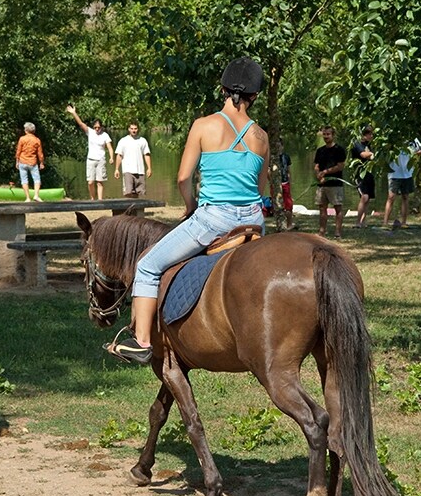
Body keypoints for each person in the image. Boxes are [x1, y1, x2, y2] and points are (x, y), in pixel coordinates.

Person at [107, 56, 269, 364]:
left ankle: (141, 342)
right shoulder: (261, 137)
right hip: (252, 221)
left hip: (214, 219)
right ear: (255, 96)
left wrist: (192, 207)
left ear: (223, 89)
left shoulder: (203, 126)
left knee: (148, 265)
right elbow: (260, 190)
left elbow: (183, 178)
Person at [65, 104, 115, 200]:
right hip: (91, 159)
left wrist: (112, 157)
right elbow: (80, 123)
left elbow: (110, 148)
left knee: (100, 181)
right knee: (90, 182)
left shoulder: (105, 135)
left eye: (99, 127)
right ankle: (92, 198)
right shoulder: (90, 132)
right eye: (95, 127)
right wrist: (73, 113)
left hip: (101, 160)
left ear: (102, 127)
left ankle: (100, 200)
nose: (97, 129)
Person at [314, 126, 346, 238]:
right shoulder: (320, 150)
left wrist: (325, 172)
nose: (326, 136)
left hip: (335, 184)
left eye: (328, 134)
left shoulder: (339, 150)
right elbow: (316, 165)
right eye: (324, 134)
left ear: (333, 135)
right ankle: (322, 231)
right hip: (322, 185)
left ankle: (338, 232)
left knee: (338, 208)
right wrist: (319, 174)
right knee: (322, 208)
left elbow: (340, 166)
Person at [383, 140, 419, 228]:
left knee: (405, 197)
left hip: (407, 173)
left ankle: (404, 222)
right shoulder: (393, 137)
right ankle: (385, 222)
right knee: (391, 197)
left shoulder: (413, 140)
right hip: (394, 173)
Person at [113, 121, 152, 198]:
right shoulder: (123, 141)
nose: (134, 130)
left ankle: (139, 210)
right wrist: (116, 169)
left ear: (138, 129)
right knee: (128, 193)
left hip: (140, 171)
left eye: (135, 128)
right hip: (128, 171)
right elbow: (119, 155)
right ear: (129, 129)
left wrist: (149, 168)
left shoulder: (142, 140)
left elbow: (146, 154)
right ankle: (129, 210)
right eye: (132, 128)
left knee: (141, 194)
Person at [351, 126, 375, 228]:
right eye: (369, 134)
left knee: (368, 198)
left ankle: (363, 221)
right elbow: (363, 154)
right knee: (364, 197)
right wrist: (372, 154)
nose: (371, 136)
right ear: (364, 135)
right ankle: (357, 222)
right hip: (360, 175)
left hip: (369, 174)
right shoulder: (357, 144)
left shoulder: (370, 145)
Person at [15, 122, 45, 202]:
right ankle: (36, 195)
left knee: (24, 180)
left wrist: (17, 161)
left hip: (22, 161)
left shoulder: (22, 139)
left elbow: (18, 151)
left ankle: (27, 198)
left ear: (26, 130)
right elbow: (40, 153)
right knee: (37, 179)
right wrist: (41, 163)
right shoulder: (37, 140)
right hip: (33, 162)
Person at [278, 138, 295, 230]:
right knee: (278, 205)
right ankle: (280, 225)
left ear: (282, 146)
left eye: (279, 145)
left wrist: (289, 182)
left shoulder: (286, 157)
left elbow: (288, 171)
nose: (278, 148)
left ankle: (289, 224)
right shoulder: (271, 158)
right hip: (277, 185)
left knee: (288, 205)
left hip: (285, 183)